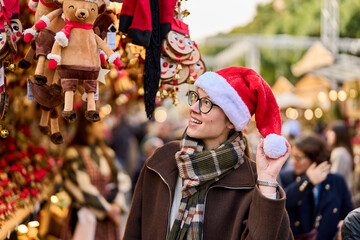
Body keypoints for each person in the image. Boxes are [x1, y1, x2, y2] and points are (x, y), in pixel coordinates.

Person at [123, 67, 293, 239]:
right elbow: (133, 232)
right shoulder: (162, 161)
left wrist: (267, 181)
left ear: (231, 121)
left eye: (207, 103)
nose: (194, 108)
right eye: (196, 98)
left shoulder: (253, 181)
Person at [61, 109, 131, 240]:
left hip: (108, 221)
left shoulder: (107, 153)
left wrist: (118, 204)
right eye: (99, 123)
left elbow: (123, 179)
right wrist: (108, 210)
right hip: (85, 221)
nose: (104, 127)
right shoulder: (74, 154)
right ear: (87, 127)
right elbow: (82, 190)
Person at [280, 133, 354, 240]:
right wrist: (308, 181)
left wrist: (344, 225)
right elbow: (284, 203)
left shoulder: (337, 181)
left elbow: (348, 214)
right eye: (292, 156)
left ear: (315, 159)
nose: (292, 162)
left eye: (298, 158)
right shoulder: (286, 177)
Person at [325, 121, 354, 191]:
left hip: (339, 195)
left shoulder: (340, 153)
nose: (328, 136)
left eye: (331, 134)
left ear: (338, 135)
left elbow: (335, 177)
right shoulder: (342, 151)